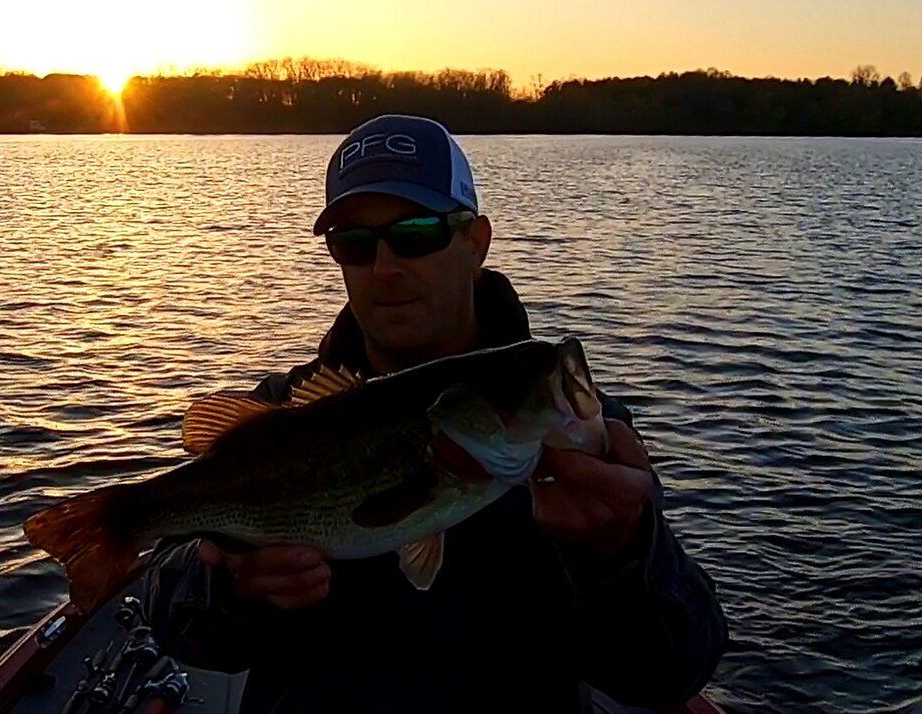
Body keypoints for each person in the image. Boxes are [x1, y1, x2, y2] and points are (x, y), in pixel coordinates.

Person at [140, 114, 728, 713]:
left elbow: (670, 673)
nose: (386, 267)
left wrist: (621, 555)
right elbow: (173, 618)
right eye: (355, 243)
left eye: (417, 232)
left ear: (476, 242)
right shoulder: (276, 419)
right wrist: (228, 588)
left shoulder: (578, 439)